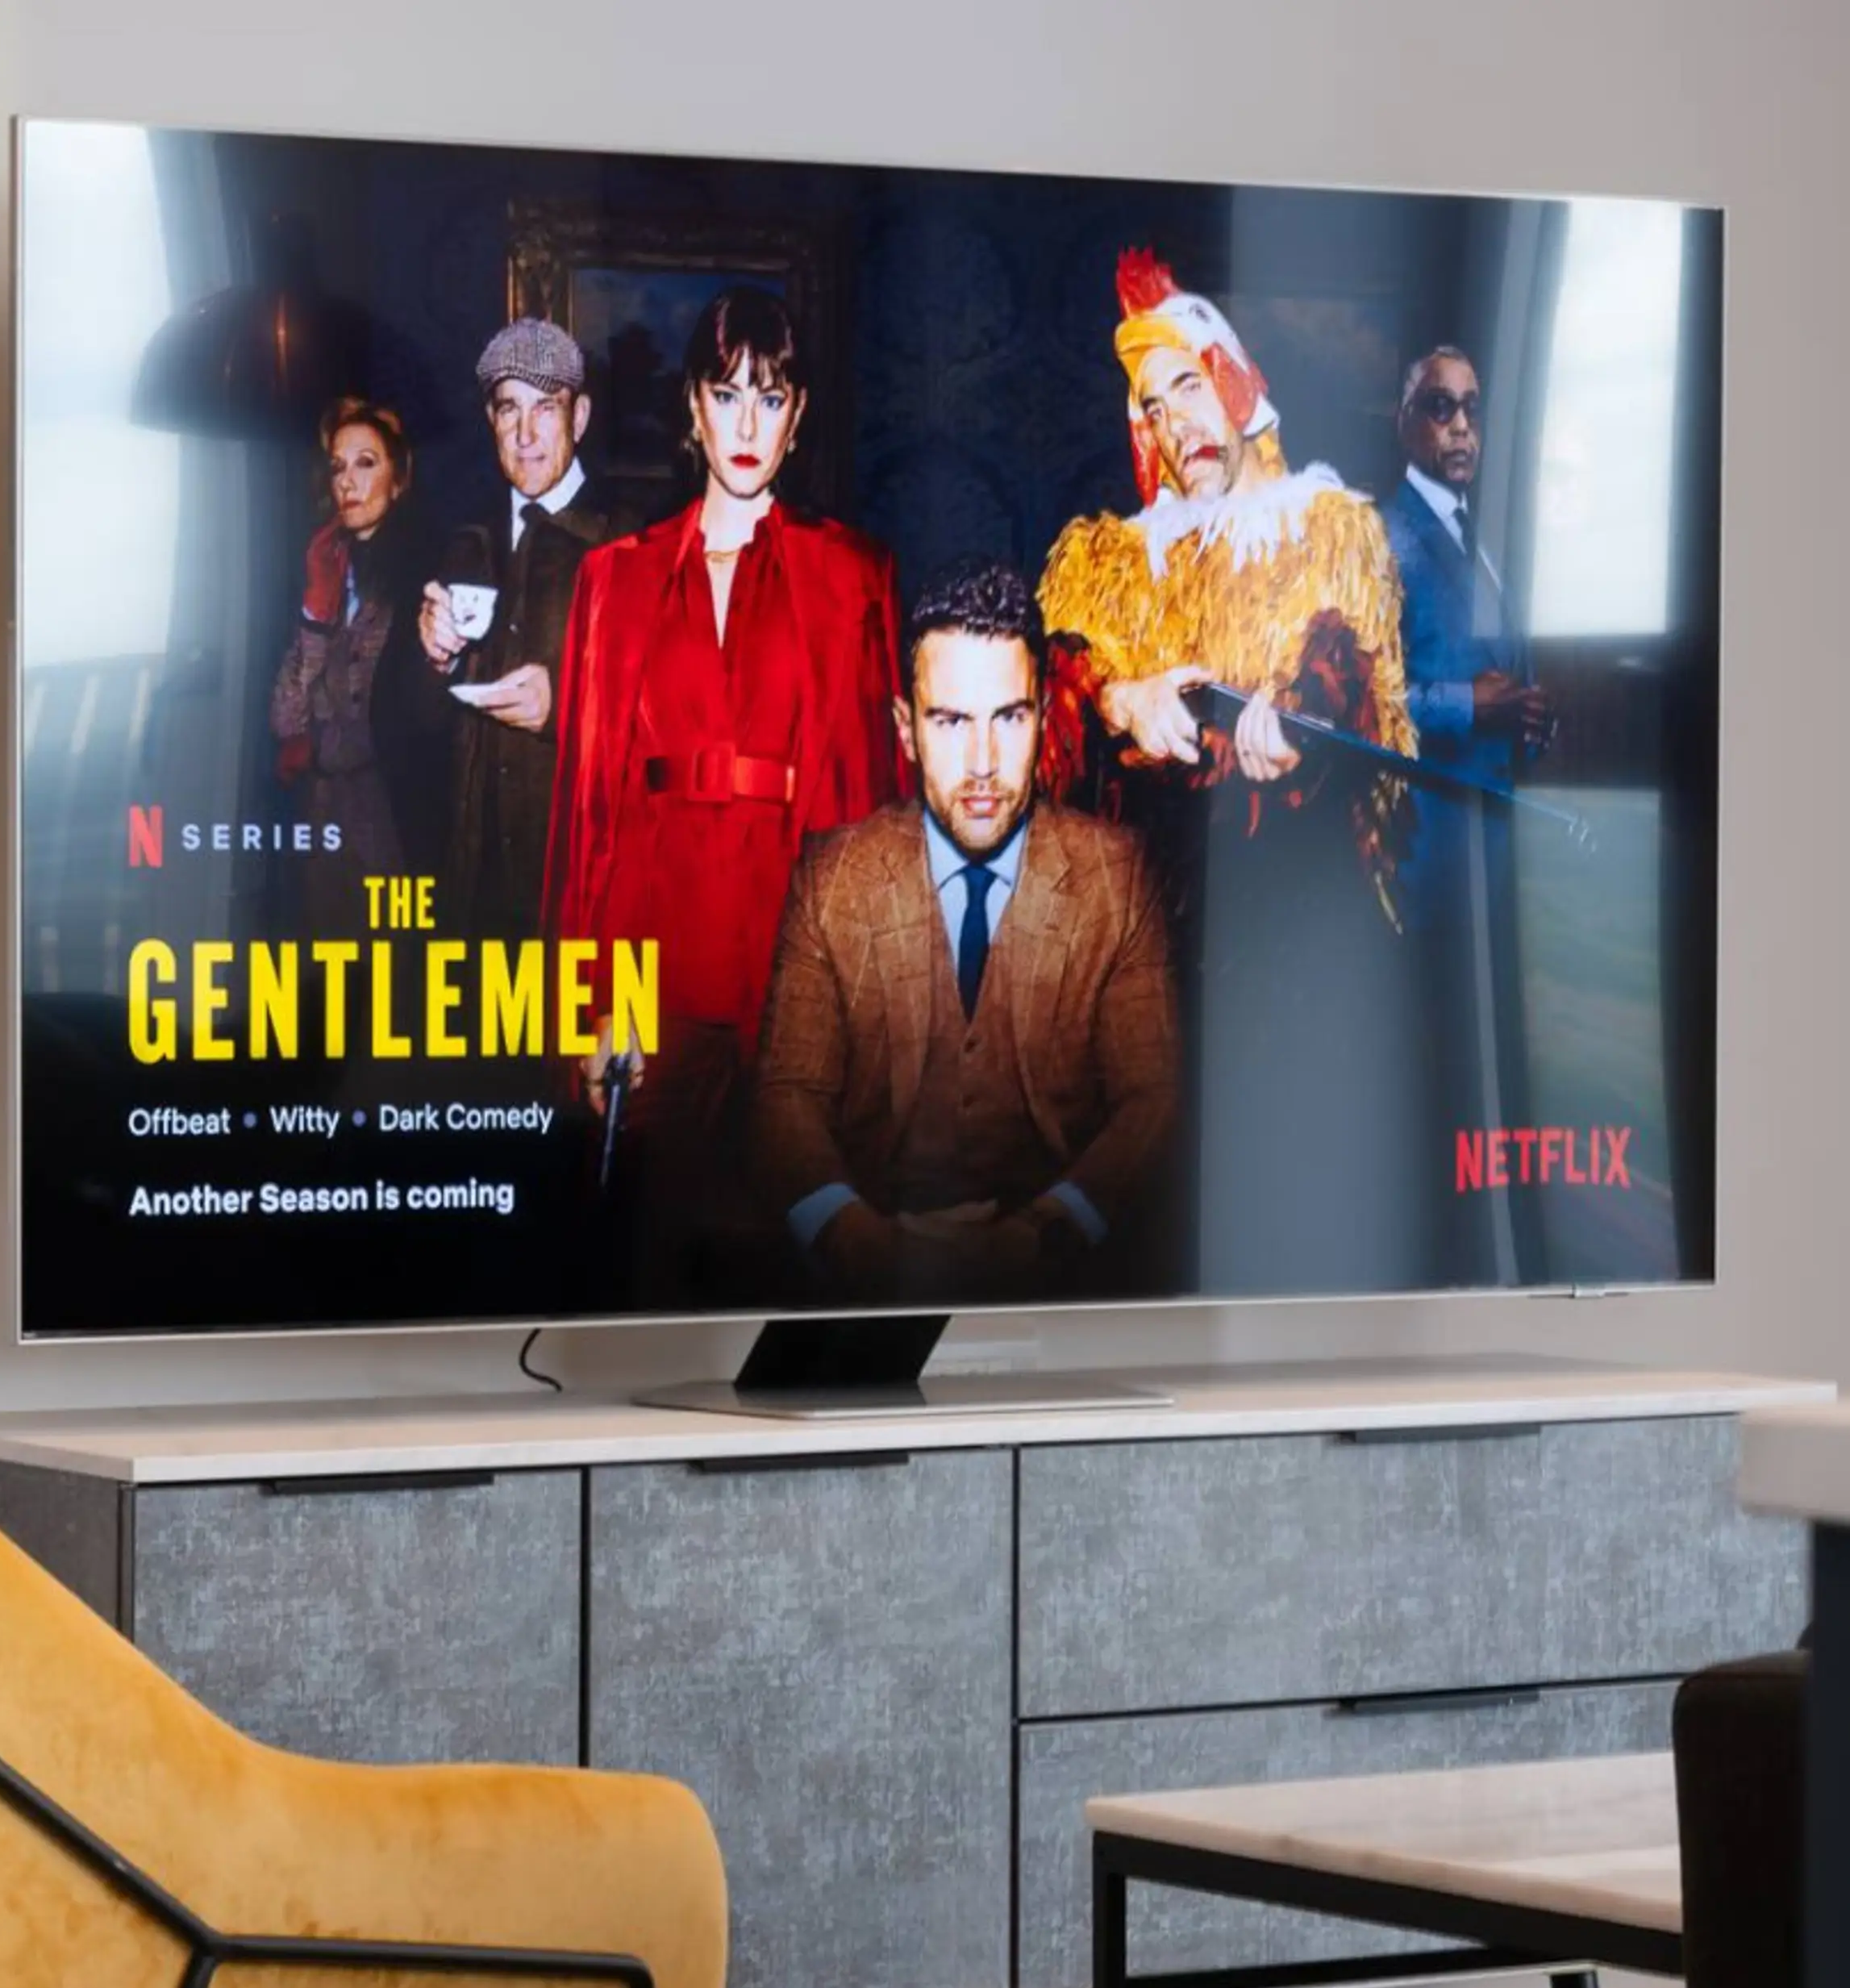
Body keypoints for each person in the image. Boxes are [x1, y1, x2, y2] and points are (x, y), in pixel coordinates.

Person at [1036, 250, 1435, 1296]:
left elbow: (1353, 668)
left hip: (1291, 933)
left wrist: (1299, 714)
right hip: (1144, 947)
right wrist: (1120, 696)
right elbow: (1055, 691)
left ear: (1235, 380)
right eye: (1151, 405)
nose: (1175, 421)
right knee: (1140, 1230)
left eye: (1187, 384)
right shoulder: (1115, 560)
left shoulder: (1328, 527)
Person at [545, 287, 906, 1300]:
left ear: (798, 418)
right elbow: (592, 819)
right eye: (727, 393)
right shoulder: (613, 581)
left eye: (772, 396)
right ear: (693, 410)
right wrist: (593, 1008)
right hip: (654, 985)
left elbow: (877, 814)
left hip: (800, 983)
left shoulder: (855, 577)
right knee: (647, 1277)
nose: (748, 423)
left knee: (800, 1282)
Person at [752, 560, 1178, 1302]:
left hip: (1063, 1305)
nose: (982, 764)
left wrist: (1045, 1234)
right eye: (950, 722)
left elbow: (1154, 1100)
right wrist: (861, 1243)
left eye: (1009, 718)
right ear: (906, 731)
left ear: (1043, 719)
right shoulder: (833, 876)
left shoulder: (1117, 876)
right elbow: (786, 1098)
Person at [1385, 344, 1552, 1283]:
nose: (1461, 428)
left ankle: (1478, 1247)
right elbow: (1354, 707)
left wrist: (1529, 716)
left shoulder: (1476, 536)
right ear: (1405, 422)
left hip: (1494, 851)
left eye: (1472, 409)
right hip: (1429, 858)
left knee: (1486, 1064)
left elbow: (1503, 673)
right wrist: (1465, 706)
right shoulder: (1385, 536)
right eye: (1440, 408)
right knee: (1436, 1072)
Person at [403, 319, 627, 938]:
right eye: (509, 409)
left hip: (578, 902)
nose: (525, 435)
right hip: (473, 900)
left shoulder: (628, 544)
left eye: (546, 408)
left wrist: (565, 710)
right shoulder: (464, 541)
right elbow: (414, 729)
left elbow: (665, 727)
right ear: (491, 420)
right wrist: (434, 659)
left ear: (580, 417)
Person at [269, 398, 432, 929]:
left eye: (366, 463)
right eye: (338, 467)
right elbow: (285, 719)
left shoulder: (424, 577)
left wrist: (319, 746)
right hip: (325, 834)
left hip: (397, 828)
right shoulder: (325, 568)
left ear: (399, 480)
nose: (348, 481)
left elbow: (399, 723)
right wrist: (315, 612)